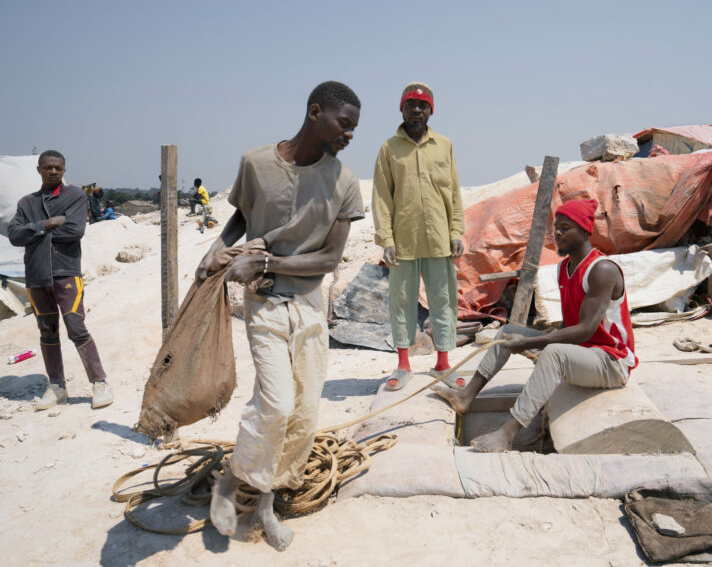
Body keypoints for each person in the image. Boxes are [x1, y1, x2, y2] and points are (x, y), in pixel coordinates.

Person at [196, 81, 363, 551]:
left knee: (304, 413)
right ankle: (229, 483)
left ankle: (265, 504)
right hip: (265, 302)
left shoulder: (344, 182)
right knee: (276, 404)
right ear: (316, 113)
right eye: (343, 124)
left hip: (310, 306)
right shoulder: (255, 162)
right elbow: (240, 221)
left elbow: (330, 259)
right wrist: (216, 253)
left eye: (354, 128)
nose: (349, 134)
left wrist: (267, 261)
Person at [435, 198, 637, 452]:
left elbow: (585, 329)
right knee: (508, 331)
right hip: (584, 352)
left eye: (565, 228)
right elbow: (570, 322)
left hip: (610, 361)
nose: (558, 233)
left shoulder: (602, 270)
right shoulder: (565, 267)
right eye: (556, 227)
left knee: (552, 353)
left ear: (585, 231)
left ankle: (507, 435)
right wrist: (534, 342)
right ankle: (466, 396)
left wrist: (533, 344)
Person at [372, 82, 465, 391]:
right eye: (410, 104)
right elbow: (382, 197)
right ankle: (403, 364)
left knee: (443, 301)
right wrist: (386, 239)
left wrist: (456, 232)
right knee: (401, 304)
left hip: (439, 240)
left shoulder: (444, 145)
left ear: (431, 111)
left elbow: (453, 193)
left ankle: (442, 363)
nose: (416, 110)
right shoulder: (389, 149)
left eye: (422, 105)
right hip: (403, 243)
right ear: (401, 109)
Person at [8, 150, 113, 411]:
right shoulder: (26, 203)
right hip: (36, 277)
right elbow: (14, 235)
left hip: (65, 273)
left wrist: (34, 231)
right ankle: (57, 386)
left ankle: (99, 383)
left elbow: (75, 231)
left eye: (57, 167)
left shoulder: (75, 196)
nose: (53, 171)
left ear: (64, 169)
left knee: (76, 327)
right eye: (48, 167)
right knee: (48, 331)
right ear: (39, 170)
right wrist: (47, 224)